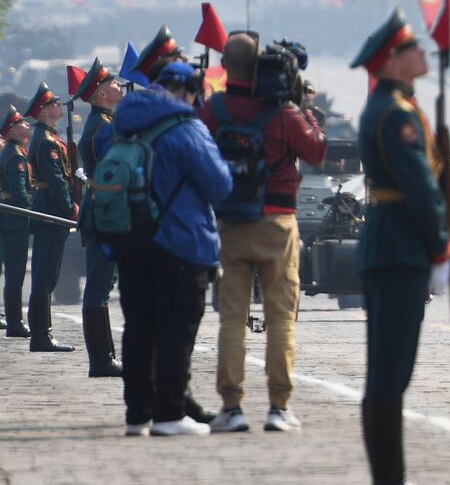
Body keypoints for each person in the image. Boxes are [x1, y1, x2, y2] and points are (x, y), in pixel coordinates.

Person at [198, 33, 327, 434]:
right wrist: (301, 106)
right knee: (280, 317)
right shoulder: (282, 111)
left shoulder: (213, 109)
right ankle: (278, 405)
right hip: (278, 221)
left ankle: (232, 407)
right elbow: (316, 151)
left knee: (233, 318)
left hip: (232, 222)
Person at [351, 8, 450, 485]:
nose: (424, 54)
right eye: (415, 49)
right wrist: (440, 243)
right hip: (399, 247)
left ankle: (388, 482)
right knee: (390, 371)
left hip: (393, 245)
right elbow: (420, 186)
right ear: (393, 59)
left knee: (391, 370)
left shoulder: (393, 106)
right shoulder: (395, 114)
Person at [98, 63, 231, 437]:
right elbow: (219, 185)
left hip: (130, 240)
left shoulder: (121, 128)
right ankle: (171, 414)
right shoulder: (187, 129)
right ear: (190, 92)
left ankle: (137, 415)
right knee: (176, 331)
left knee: (139, 328)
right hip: (180, 242)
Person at [73, 59, 126, 377]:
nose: (120, 86)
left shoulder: (103, 123)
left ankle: (105, 356)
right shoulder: (103, 128)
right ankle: (101, 359)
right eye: (114, 83)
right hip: (104, 213)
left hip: (102, 209)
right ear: (104, 92)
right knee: (98, 286)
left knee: (103, 285)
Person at [24, 83, 77, 353]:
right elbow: (56, 181)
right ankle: (41, 335)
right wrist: (70, 208)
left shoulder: (48, 138)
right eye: (54, 103)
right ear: (44, 111)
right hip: (50, 212)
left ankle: (42, 333)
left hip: (50, 211)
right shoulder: (46, 142)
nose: (59, 106)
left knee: (48, 272)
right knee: (45, 273)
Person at [1, 106, 33, 338]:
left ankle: (14, 320)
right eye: (21, 122)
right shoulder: (15, 155)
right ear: (12, 130)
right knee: (15, 272)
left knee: (13, 272)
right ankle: (15, 323)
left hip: (10, 219)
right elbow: (20, 193)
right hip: (14, 221)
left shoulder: (13, 151)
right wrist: (33, 212)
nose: (26, 124)